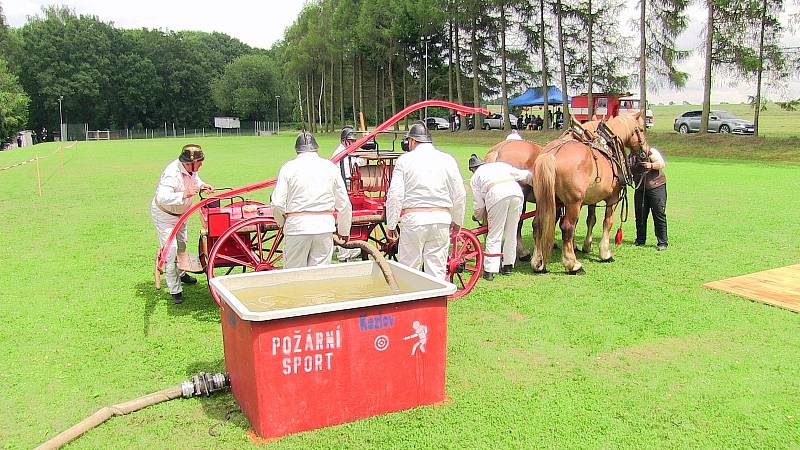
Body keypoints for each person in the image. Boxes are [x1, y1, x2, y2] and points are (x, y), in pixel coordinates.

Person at [386, 121, 466, 280]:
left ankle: (410, 303)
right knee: (437, 269)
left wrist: (391, 224)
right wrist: (458, 221)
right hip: (441, 219)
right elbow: (460, 194)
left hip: (414, 220)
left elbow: (395, 195)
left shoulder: (404, 160)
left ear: (413, 141)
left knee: (409, 269)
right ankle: (435, 303)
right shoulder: (447, 159)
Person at [272, 132, 352, 268]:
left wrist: (282, 223)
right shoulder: (330, 167)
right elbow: (344, 204)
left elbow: (278, 203)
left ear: (297, 149)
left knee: (294, 275)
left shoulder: (288, 168)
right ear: (316, 148)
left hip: (297, 227)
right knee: (319, 277)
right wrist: (344, 231)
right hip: (324, 227)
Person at [151, 144, 214, 304]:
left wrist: (202, 185)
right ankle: (175, 290)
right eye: (199, 161)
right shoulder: (171, 174)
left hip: (181, 214)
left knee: (182, 245)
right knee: (170, 251)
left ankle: (180, 273)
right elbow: (162, 197)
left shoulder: (191, 170)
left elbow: (195, 180)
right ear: (188, 163)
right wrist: (184, 194)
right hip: (166, 215)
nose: (201, 164)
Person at [468, 154, 531, 280]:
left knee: (494, 234)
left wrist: (477, 217)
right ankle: (508, 265)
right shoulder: (500, 166)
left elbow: (479, 205)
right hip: (516, 193)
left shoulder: (475, 177)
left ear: (473, 169)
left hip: (496, 195)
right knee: (512, 232)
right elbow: (525, 175)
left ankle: (490, 270)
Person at [331, 126, 364, 262]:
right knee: (344, 220)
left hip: (351, 189)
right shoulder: (339, 154)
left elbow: (360, 164)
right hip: (342, 191)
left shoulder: (350, 153)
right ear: (344, 141)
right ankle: (344, 252)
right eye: (351, 141)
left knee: (348, 221)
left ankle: (351, 248)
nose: (354, 143)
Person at [629, 146, 668, 250]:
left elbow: (662, 163)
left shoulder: (650, 151)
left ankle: (662, 242)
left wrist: (650, 165)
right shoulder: (630, 156)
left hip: (656, 186)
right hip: (640, 189)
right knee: (640, 215)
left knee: (659, 214)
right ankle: (640, 240)